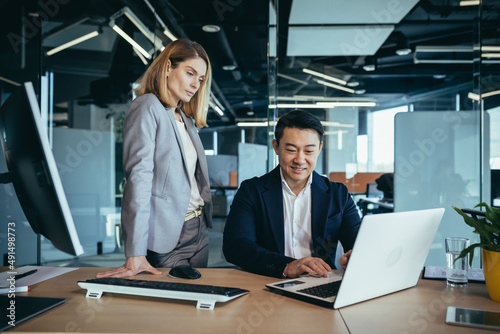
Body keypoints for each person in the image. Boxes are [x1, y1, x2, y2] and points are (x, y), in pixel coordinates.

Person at [97, 38, 213, 278]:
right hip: (168, 233)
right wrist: (135, 251)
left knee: (199, 305)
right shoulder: (147, 106)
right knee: (171, 309)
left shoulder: (185, 118)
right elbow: (139, 178)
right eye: (190, 73)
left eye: (200, 79)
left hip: (198, 231)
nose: (195, 84)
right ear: (168, 67)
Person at [223, 109, 361, 278]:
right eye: (291, 150)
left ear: (319, 149)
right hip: (269, 283)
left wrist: (356, 254)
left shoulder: (338, 194)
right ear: (276, 147)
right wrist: (287, 266)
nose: (300, 160)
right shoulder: (252, 191)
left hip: (321, 283)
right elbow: (236, 246)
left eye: (308, 151)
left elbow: (359, 241)